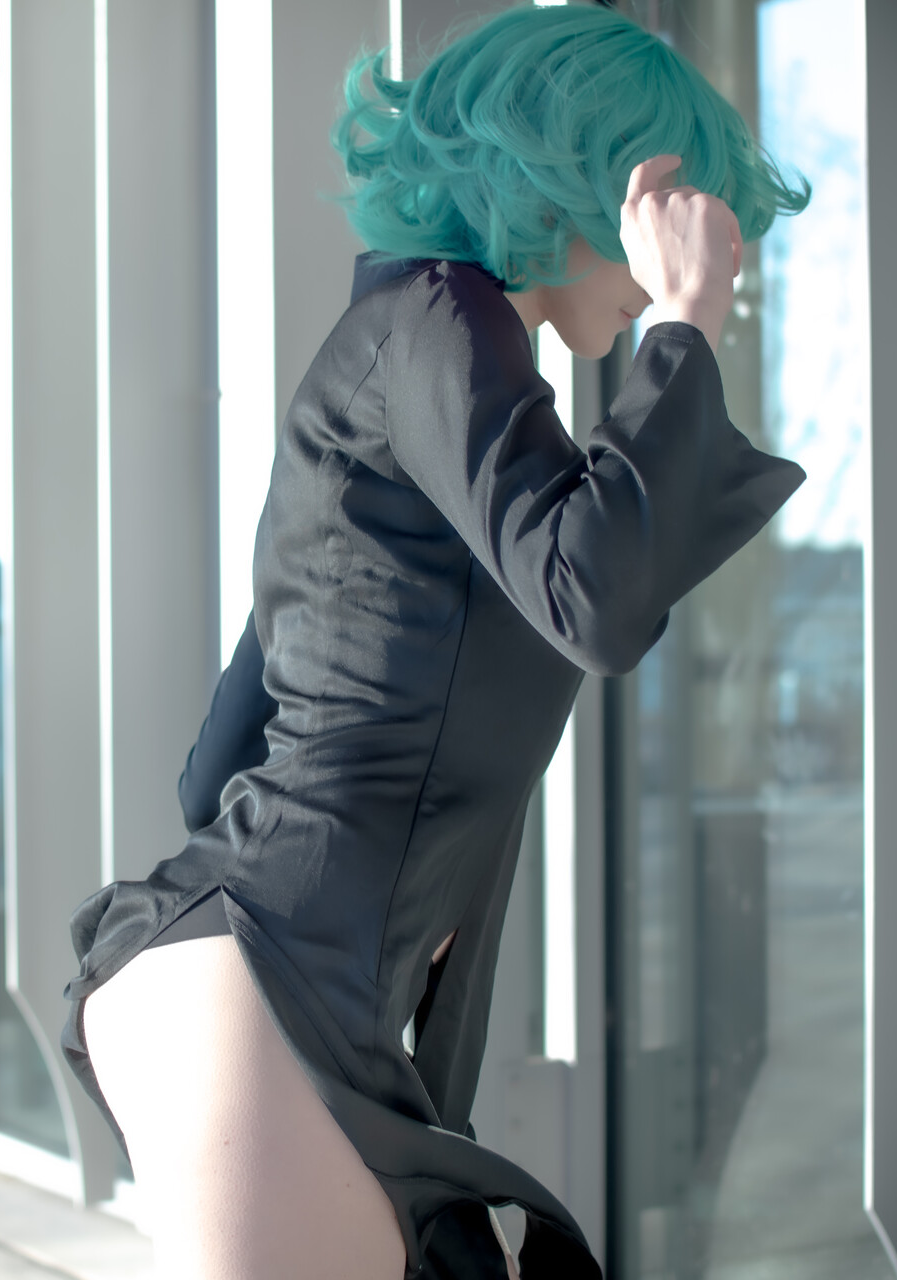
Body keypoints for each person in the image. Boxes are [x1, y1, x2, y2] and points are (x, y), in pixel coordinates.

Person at [62, 6, 809, 1276]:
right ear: (583, 177)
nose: (664, 265)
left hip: (240, 982)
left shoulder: (415, 363)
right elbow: (596, 595)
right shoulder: (434, 320)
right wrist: (684, 325)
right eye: (664, 214)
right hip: (265, 1000)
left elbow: (219, 765)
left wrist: (417, 853)